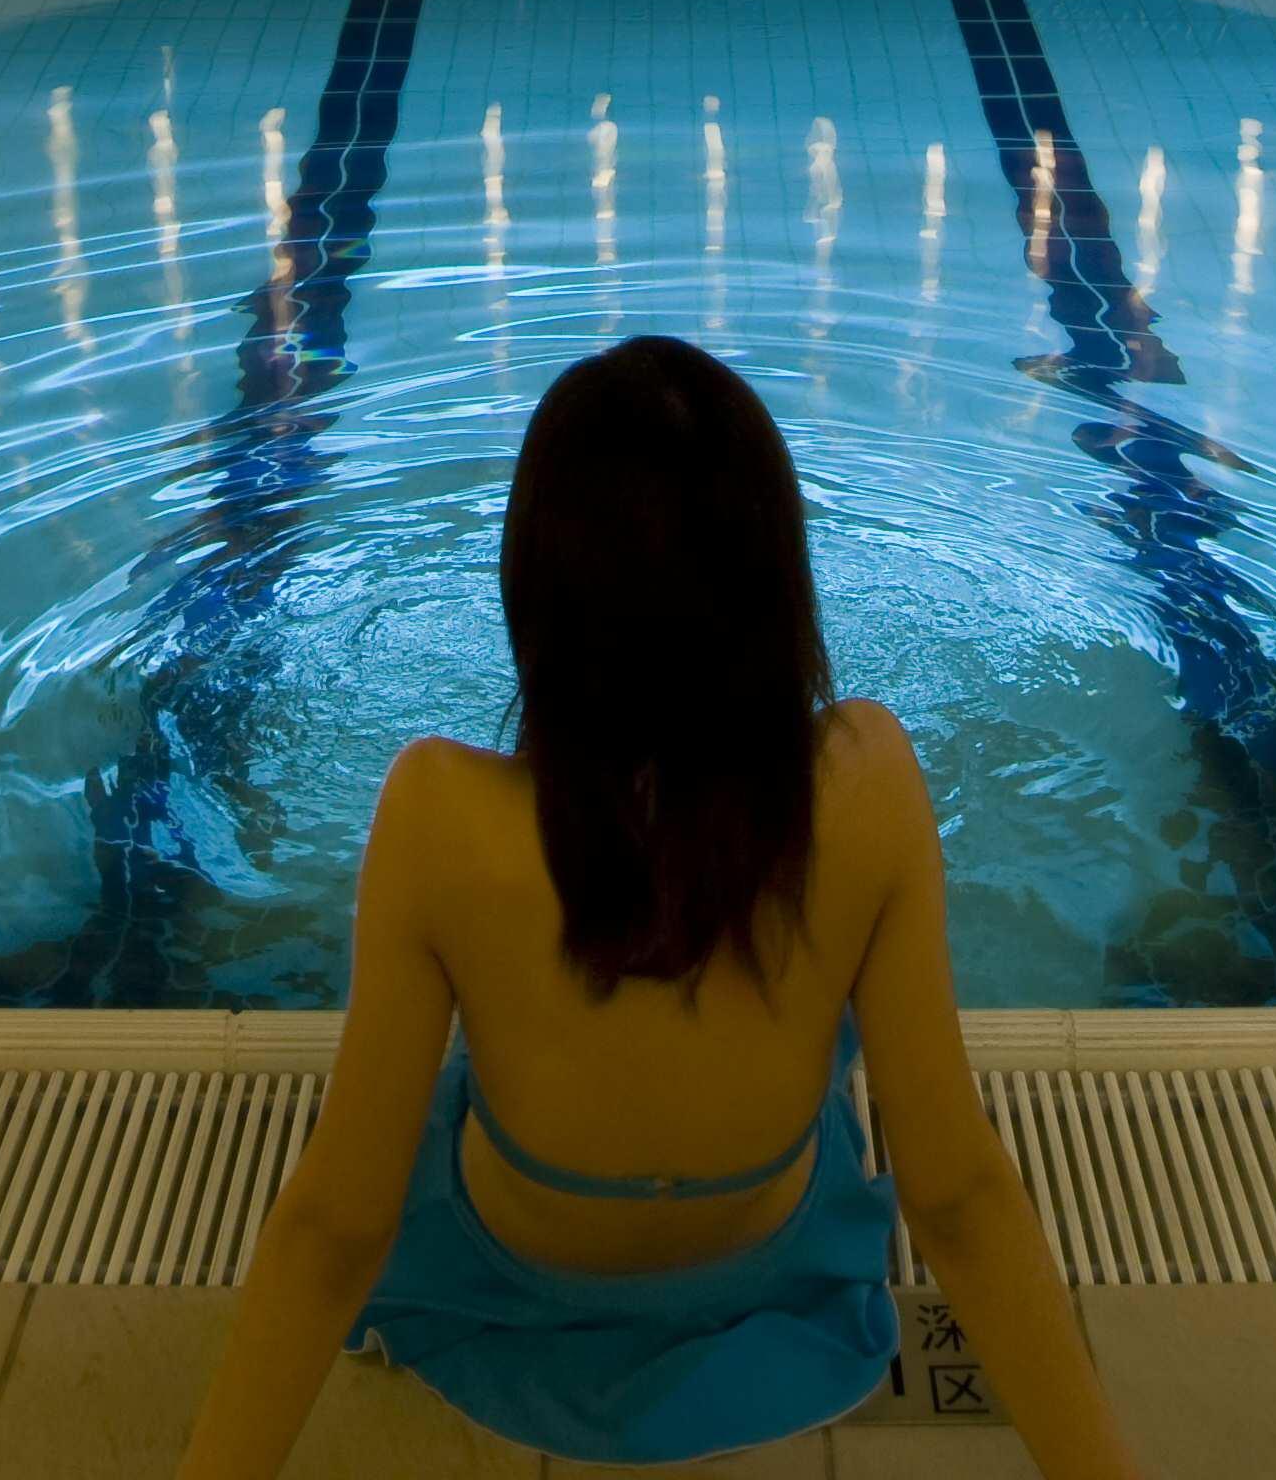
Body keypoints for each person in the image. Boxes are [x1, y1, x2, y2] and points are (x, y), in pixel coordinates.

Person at [176, 334, 1149, 1480]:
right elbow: (959, 1195)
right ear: (775, 584)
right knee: (821, 1034)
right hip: (763, 1263)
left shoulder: (436, 814)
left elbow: (336, 1226)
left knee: (445, 1084)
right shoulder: (869, 781)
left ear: (533, 589)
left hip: (521, 1275)